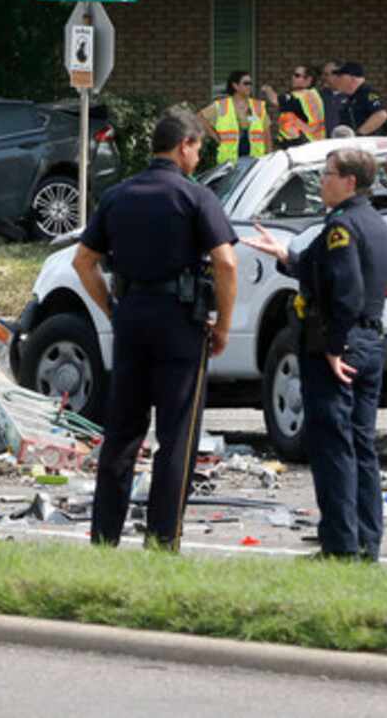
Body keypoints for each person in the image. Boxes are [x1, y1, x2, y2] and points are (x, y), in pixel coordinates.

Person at [75, 107, 241, 550]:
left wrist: (111, 306)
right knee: (177, 436)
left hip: (130, 318)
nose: (198, 158)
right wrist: (224, 325)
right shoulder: (195, 197)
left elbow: (83, 261)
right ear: (183, 145)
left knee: (122, 432)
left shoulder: (118, 195)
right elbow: (226, 262)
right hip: (180, 323)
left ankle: (104, 537)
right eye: (197, 149)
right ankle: (162, 540)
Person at [243, 147, 387, 560]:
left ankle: (340, 545)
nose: (321, 181)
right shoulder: (376, 224)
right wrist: (283, 255)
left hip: (339, 346)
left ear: (349, 181)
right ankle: (366, 542)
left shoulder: (342, 226)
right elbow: (317, 268)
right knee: (361, 446)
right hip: (369, 344)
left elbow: (347, 292)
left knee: (332, 447)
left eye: (327, 174)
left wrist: (332, 347)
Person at [199, 71, 273, 165]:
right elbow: (200, 118)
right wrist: (214, 137)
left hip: (254, 161)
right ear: (235, 86)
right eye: (246, 83)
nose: (249, 86)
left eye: (250, 83)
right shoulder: (222, 105)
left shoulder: (258, 106)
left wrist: (269, 159)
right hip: (228, 163)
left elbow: (267, 135)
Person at [263, 65, 328, 150]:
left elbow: (275, 100)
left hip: (302, 144)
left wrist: (267, 89)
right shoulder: (314, 94)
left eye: (297, 75)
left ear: (308, 80)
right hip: (314, 143)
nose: (292, 78)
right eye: (293, 75)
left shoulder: (299, 96)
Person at [325, 62, 387, 137]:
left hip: (366, 144)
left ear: (352, 78)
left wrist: (359, 134)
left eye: (340, 76)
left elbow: (381, 115)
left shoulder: (366, 93)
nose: (337, 79)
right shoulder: (350, 97)